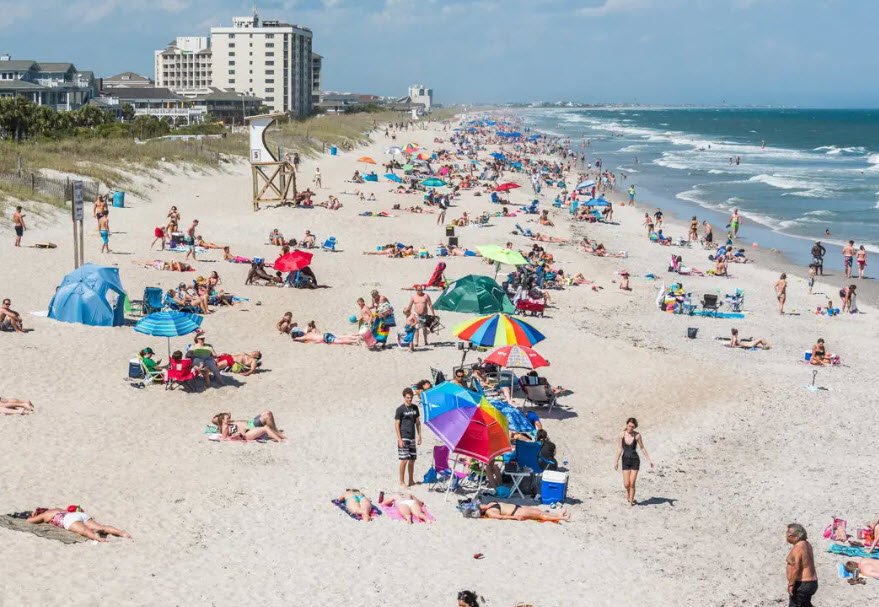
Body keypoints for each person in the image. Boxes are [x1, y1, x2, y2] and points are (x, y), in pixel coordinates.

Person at [27, 507, 131, 542]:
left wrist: (33, 516)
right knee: (101, 527)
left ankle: (98, 538)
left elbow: (30, 521)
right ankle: (122, 533)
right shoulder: (56, 509)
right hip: (77, 514)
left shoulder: (45, 515)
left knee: (85, 531)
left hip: (67, 519)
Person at [614, 417, 654, 506]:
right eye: (629, 426)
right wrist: (616, 461)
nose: (630, 428)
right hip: (625, 460)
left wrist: (649, 460)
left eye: (632, 427)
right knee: (626, 484)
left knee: (632, 483)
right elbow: (619, 448)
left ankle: (631, 501)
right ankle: (628, 494)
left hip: (635, 460)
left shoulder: (637, 435)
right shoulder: (622, 434)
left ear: (635, 427)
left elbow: (642, 448)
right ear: (627, 425)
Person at [395, 387, 422, 488]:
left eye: (411, 398)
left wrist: (419, 436)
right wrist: (399, 439)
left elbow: (418, 423)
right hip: (404, 436)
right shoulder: (400, 409)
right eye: (407, 398)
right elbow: (396, 424)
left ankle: (411, 480)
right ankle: (401, 481)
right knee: (404, 459)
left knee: (412, 459)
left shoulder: (415, 408)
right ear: (404, 397)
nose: (409, 399)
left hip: (412, 437)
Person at [785, 523, 818, 606]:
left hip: (802, 584)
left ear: (796, 536)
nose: (786, 535)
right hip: (812, 583)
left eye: (789, 533)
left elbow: (796, 567)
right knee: (805, 604)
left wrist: (791, 584)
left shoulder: (798, 548)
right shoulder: (807, 544)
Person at [211, 410, 285, 442]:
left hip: (250, 422)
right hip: (250, 427)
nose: (216, 416)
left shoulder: (228, 422)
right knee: (268, 415)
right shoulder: (223, 426)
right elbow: (226, 437)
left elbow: (224, 416)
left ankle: (276, 433)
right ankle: (277, 433)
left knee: (267, 412)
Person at [477, 501, 571, 522]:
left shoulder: (489, 504)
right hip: (516, 512)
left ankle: (557, 514)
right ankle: (562, 518)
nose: (481, 503)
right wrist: (515, 517)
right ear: (480, 510)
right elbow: (501, 517)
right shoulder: (490, 512)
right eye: (479, 505)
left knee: (538, 510)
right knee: (539, 515)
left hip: (518, 507)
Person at [407, 284, 435, 349]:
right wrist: (408, 314)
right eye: (419, 290)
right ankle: (416, 342)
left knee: (424, 328)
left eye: (421, 289)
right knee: (416, 328)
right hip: (416, 314)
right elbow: (410, 306)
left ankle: (425, 341)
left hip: (424, 314)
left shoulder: (426, 296)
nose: (420, 291)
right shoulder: (413, 297)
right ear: (416, 290)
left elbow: (430, 305)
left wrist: (433, 313)